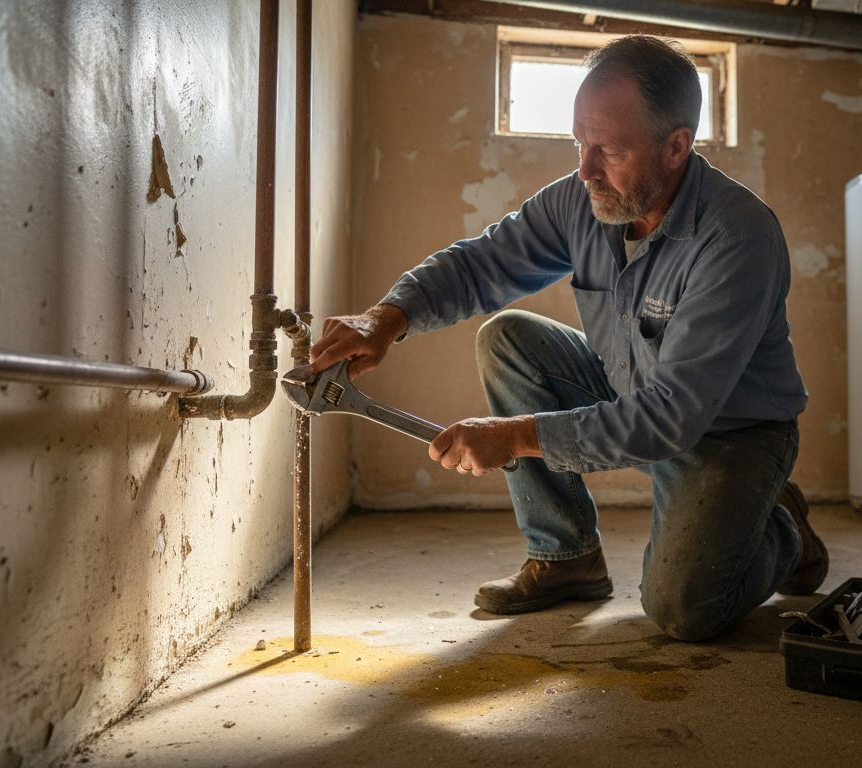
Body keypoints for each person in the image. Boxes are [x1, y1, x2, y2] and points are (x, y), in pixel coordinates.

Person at [310, 35, 826, 642]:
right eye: (579, 143)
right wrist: (387, 317)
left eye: (608, 148)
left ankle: (780, 529)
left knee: (684, 609)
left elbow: (670, 418)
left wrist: (517, 437)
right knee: (509, 338)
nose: (585, 169)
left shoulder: (736, 238)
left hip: (729, 433)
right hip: (630, 388)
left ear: (676, 147)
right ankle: (565, 558)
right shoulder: (582, 199)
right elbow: (483, 264)